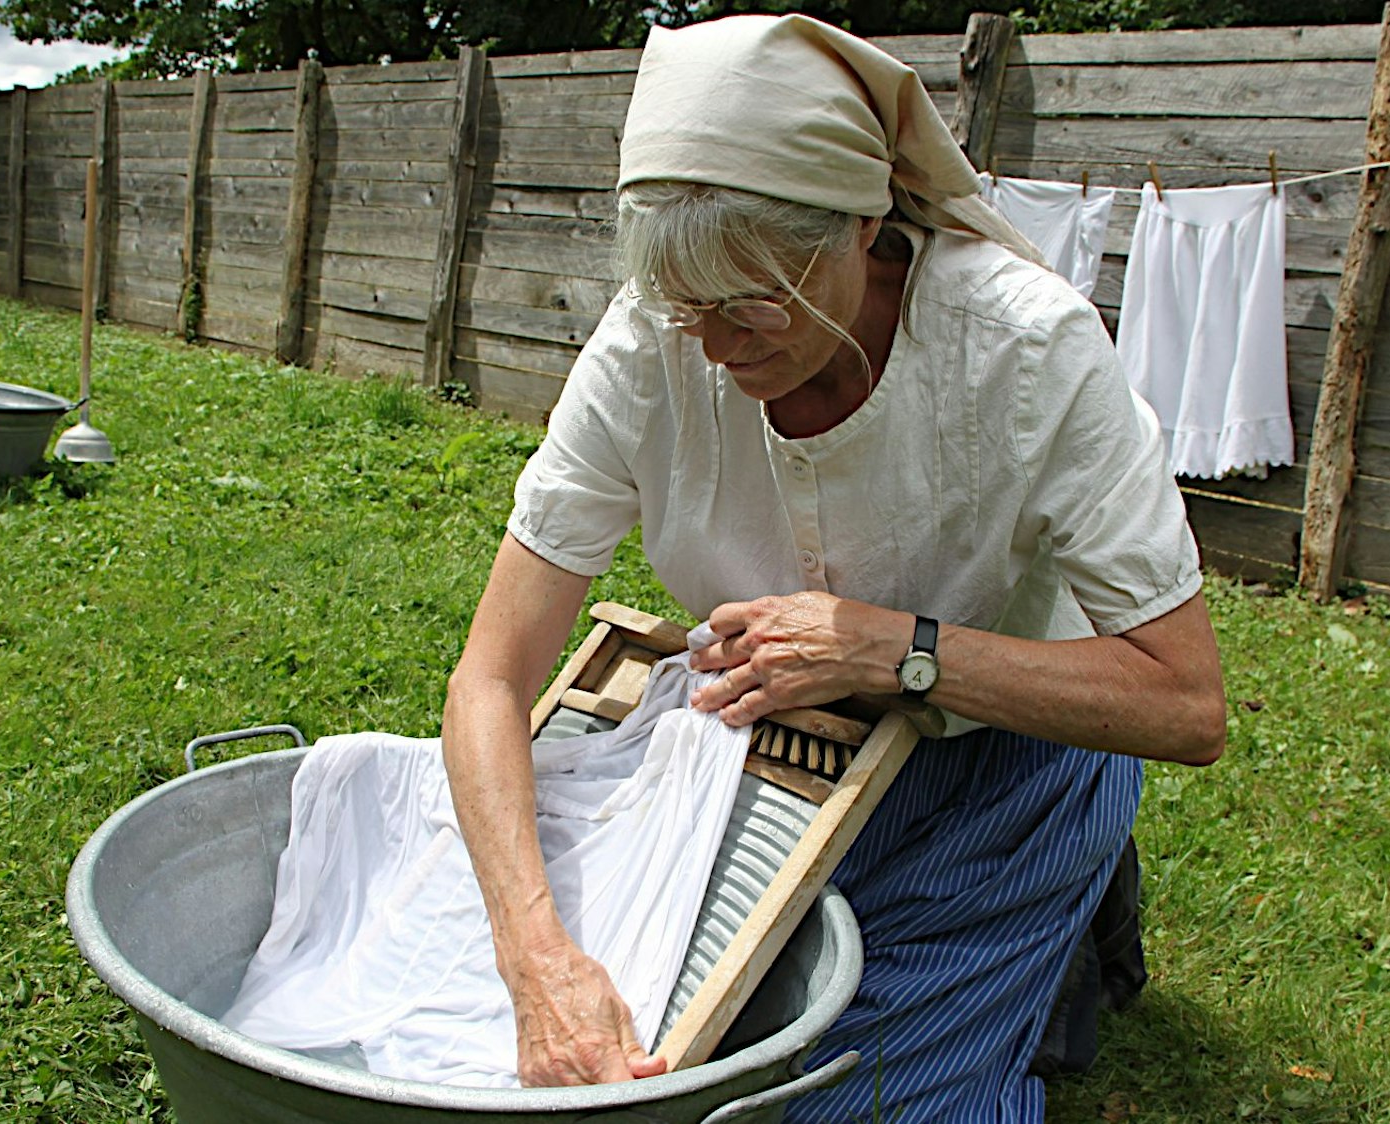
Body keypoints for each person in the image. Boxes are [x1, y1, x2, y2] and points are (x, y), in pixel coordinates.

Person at [439, 13, 1227, 1122]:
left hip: (1001, 766)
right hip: (769, 756)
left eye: (755, 298)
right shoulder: (649, 344)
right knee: (633, 1036)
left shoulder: (1027, 349)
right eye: (686, 303)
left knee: (818, 1101)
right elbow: (491, 678)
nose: (713, 344)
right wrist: (534, 956)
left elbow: (1186, 703)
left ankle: (1054, 912)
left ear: (861, 222)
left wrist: (893, 648)